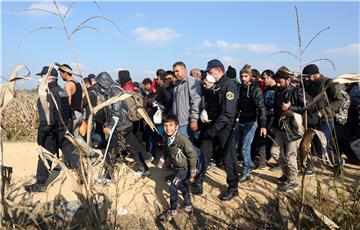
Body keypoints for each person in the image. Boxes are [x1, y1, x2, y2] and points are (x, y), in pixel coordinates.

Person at [25, 66, 80, 192]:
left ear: (47, 78)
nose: (40, 79)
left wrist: (40, 138)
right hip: (64, 129)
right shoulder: (62, 91)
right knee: (71, 153)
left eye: (41, 76)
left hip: (51, 132)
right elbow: (68, 111)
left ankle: (40, 184)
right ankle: (83, 176)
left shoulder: (45, 94)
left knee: (45, 156)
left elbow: (45, 120)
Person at [96, 71, 151, 179]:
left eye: (100, 83)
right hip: (126, 125)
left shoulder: (114, 91)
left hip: (119, 126)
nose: (99, 86)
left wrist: (110, 127)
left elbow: (116, 111)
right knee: (133, 149)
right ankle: (145, 169)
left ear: (104, 81)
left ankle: (107, 177)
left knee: (110, 152)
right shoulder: (112, 89)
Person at [199, 59, 239, 200]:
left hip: (224, 128)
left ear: (218, 70)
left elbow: (228, 114)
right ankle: (199, 180)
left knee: (228, 158)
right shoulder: (217, 85)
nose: (209, 75)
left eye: (210, 72)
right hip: (214, 126)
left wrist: (213, 130)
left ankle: (233, 187)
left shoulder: (229, 85)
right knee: (206, 152)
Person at [302, 64, 344, 175]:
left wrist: (323, 111)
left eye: (308, 76)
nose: (306, 78)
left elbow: (339, 101)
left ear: (315, 74)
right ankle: (309, 166)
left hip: (326, 120)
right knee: (310, 144)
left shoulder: (329, 83)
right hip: (312, 119)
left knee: (322, 145)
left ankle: (337, 163)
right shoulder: (308, 83)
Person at [272, 66, 304, 191]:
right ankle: (286, 174)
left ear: (288, 80)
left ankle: (293, 181)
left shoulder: (296, 91)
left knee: (290, 154)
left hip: (292, 126)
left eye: (280, 82)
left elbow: (304, 107)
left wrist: (290, 109)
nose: (278, 84)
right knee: (274, 151)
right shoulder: (278, 91)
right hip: (280, 126)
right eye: (277, 82)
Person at [162, 115, 197, 220]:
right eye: (165, 125)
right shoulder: (167, 137)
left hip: (184, 169)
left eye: (171, 125)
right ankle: (188, 205)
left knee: (173, 187)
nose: (168, 128)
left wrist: (193, 169)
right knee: (183, 186)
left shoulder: (182, 139)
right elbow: (166, 151)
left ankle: (172, 210)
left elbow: (192, 154)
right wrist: (163, 160)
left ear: (177, 126)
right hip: (176, 168)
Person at [237, 64, 267, 182]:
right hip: (241, 121)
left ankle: (246, 172)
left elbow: (261, 108)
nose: (243, 78)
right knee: (237, 147)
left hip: (251, 122)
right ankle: (250, 164)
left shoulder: (255, 90)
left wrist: (263, 125)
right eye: (241, 76)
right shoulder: (240, 88)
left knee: (245, 148)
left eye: (245, 76)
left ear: (250, 77)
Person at [58, 64, 83, 139]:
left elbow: (67, 102)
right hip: (79, 114)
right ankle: (88, 150)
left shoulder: (68, 84)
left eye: (61, 74)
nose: (61, 76)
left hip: (73, 115)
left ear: (65, 73)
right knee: (76, 136)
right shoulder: (78, 84)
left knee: (68, 137)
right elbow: (80, 101)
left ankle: (87, 151)